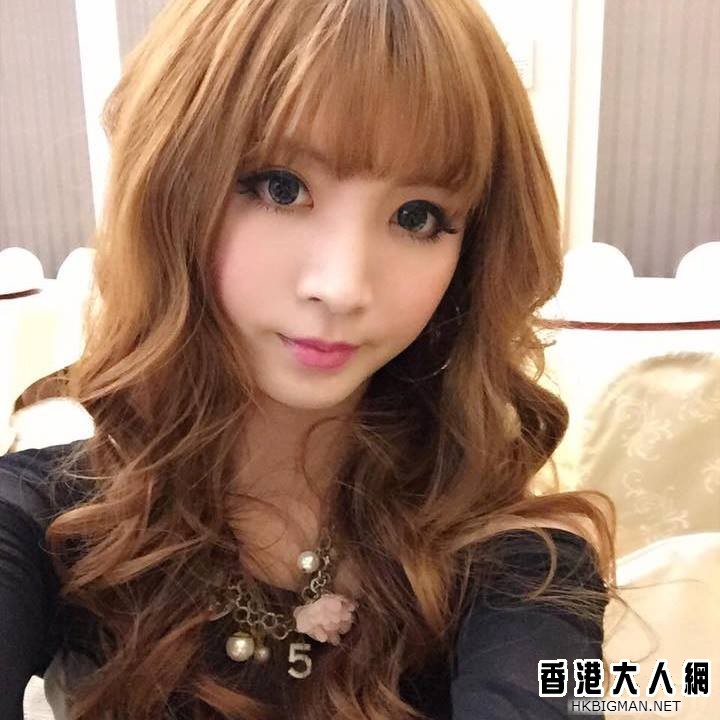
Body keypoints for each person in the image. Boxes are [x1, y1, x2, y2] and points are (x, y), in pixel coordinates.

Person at [0, 0, 619, 718]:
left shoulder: (521, 562)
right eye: (281, 187)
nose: (343, 287)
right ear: (169, 188)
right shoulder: (43, 521)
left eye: (417, 216)